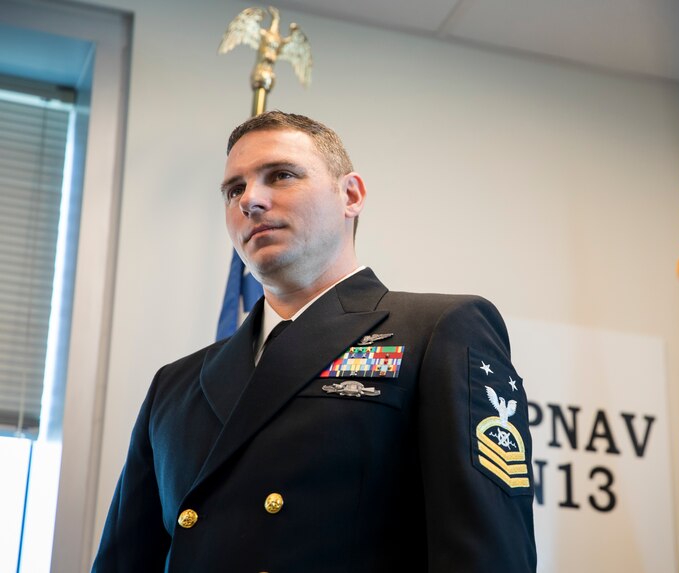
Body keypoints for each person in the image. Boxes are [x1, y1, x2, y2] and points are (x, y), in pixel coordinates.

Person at [93, 111, 537, 572]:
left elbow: (487, 556)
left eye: (281, 175)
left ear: (350, 195)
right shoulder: (175, 385)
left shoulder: (438, 330)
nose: (251, 201)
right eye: (234, 190)